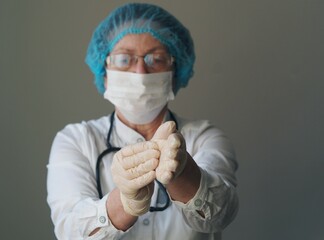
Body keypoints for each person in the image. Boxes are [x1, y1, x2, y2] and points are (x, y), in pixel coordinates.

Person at [47, 3, 238, 240]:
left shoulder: (204, 137)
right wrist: (125, 201)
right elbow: (70, 231)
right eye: (124, 59)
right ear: (104, 71)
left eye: (155, 58)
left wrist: (184, 172)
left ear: (174, 70)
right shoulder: (75, 141)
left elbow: (221, 214)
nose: (140, 72)